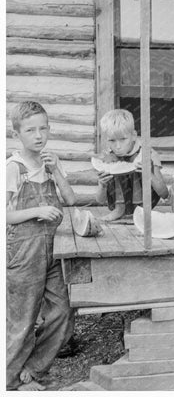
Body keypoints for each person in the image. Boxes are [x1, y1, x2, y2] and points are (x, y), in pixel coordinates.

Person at [6, 101, 76, 390]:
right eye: (30, 130)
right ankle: (8, 381)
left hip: (53, 249)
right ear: (17, 135)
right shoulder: (13, 168)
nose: (38, 135)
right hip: (23, 252)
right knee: (22, 321)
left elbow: (70, 200)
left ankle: (33, 369)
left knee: (63, 310)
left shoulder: (50, 162)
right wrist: (37, 211)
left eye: (43, 128)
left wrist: (57, 171)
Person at [95, 109, 168, 221]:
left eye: (123, 139)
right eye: (112, 141)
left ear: (134, 135)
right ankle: (119, 209)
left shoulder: (149, 154)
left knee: (141, 165)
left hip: (147, 203)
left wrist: (150, 175)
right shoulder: (108, 157)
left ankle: (141, 209)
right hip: (116, 204)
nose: (118, 146)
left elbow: (164, 193)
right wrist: (102, 185)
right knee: (115, 167)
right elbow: (100, 200)